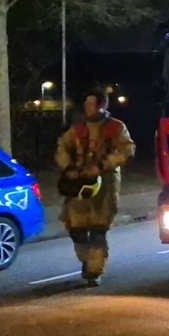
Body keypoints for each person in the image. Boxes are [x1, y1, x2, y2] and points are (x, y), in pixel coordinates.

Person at [55, 89, 136, 286]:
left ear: (102, 106)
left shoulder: (116, 127)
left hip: (105, 185)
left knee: (98, 229)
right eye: (86, 104)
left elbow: (127, 149)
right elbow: (62, 147)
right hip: (79, 183)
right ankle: (87, 260)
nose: (88, 108)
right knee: (76, 228)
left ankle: (94, 271)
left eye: (91, 104)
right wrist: (70, 167)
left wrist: (102, 165)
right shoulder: (77, 128)